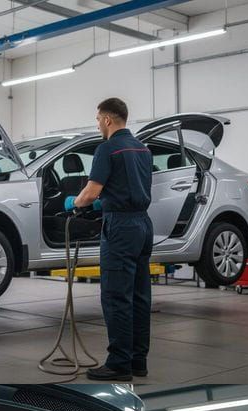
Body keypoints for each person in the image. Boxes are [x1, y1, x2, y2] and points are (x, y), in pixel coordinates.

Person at [66, 97, 153, 381]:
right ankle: (138, 361)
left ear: (106, 119)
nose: (97, 125)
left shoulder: (107, 149)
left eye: (97, 120)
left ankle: (118, 364)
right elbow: (128, 187)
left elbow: (91, 192)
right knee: (139, 296)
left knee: (116, 297)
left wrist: (74, 202)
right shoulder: (143, 149)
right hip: (143, 225)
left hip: (120, 228)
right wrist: (103, 202)